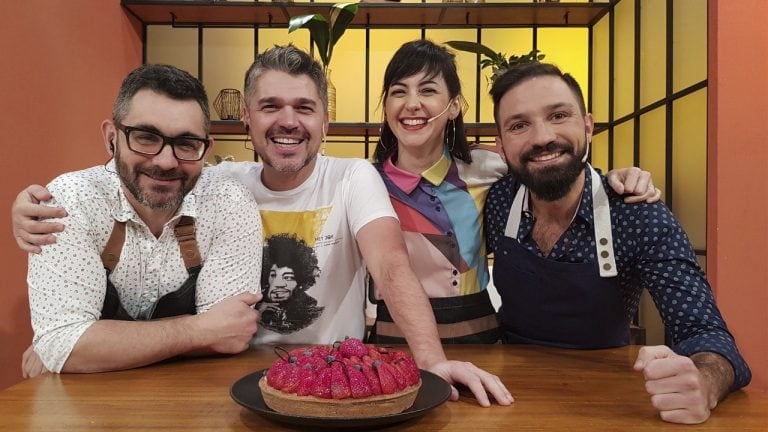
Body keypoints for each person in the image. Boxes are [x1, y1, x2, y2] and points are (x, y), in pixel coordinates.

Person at [12, 46, 512, 407]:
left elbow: (390, 262)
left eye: (304, 108)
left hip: (328, 375)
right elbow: (137, 176)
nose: (287, 121)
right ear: (247, 118)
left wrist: (432, 360)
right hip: (222, 376)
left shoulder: (353, 176)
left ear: (326, 121)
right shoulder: (215, 181)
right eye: (271, 107)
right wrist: (39, 207)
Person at [484, 62, 751, 423]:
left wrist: (705, 381)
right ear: (501, 146)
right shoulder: (496, 201)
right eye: (519, 125)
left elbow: (707, 334)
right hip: (506, 392)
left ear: (588, 126)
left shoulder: (638, 214)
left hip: (607, 397)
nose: (542, 137)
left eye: (559, 115)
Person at [369, 39, 661, 344]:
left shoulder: (487, 167)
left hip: (480, 338)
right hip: (393, 340)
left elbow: (556, 169)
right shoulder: (365, 182)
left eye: (427, 90)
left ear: (453, 105)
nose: (412, 103)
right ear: (386, 105)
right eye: (398, 91)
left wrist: (613, 179)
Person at [19, 64, 264, 378]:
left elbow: (232, 335)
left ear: (205, 150)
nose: (165, 161)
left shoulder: (228, 202)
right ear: (111, 138)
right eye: (146, 138)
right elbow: (62, 345)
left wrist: (90, 346)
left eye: (186, 143)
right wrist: (200, 331)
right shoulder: (71, 200)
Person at [259, 233, 324, 334]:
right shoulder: (256, 304)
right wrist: (257, 311)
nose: (278, 283)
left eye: (288, 277)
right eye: (273, 275)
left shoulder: (310, 308)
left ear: (299, 281)